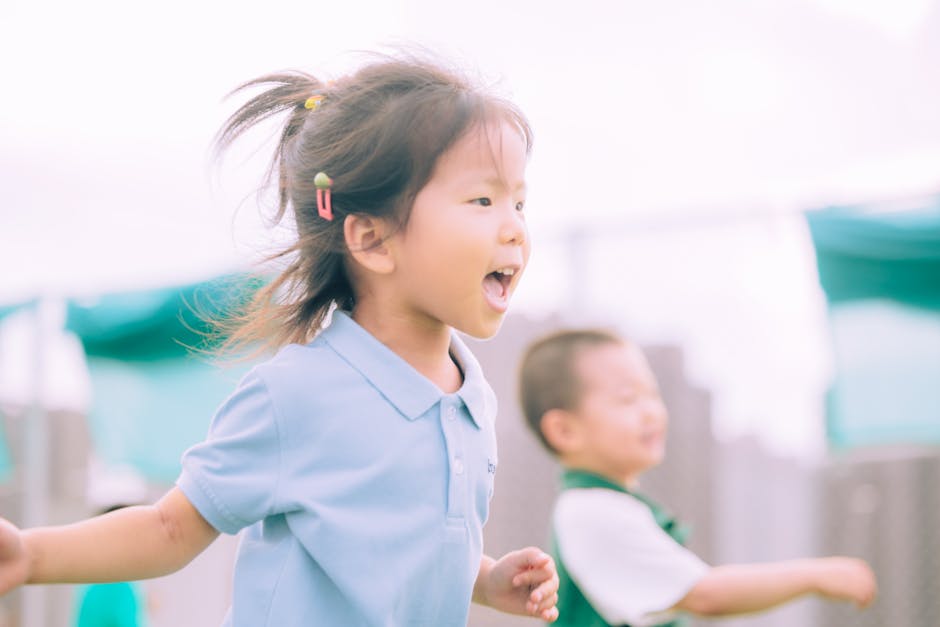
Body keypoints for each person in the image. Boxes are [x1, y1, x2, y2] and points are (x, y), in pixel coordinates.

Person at [0, 52, 560, 626]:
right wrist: (31, 554)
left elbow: (407, 551)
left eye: (519, 203)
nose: (516, 227)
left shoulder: (472, 400)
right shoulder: (298, 394)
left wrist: (487, 580)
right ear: (372, 240)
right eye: (482, 200)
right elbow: (170, 528)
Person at [518, 329, 876, 627]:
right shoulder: (593, 512)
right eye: (628, 398)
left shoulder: (607, 506)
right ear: (565, 431)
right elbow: (705, 594)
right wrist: (814, 577)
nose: (651, 411)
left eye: (652, 394)